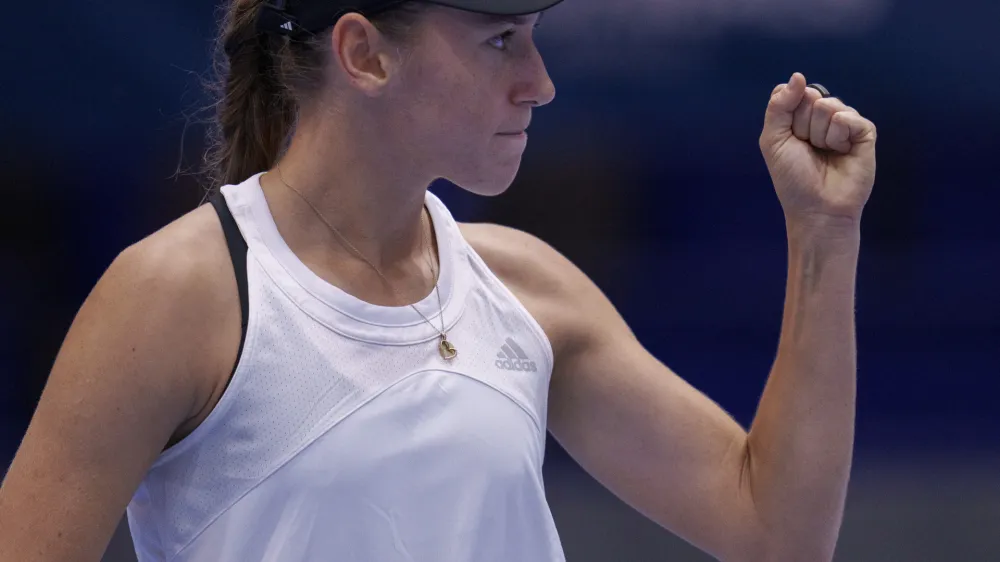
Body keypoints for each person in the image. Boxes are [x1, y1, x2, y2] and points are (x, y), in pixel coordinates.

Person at [0, 0, 877, 560]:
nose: (540, 83)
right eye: (500, 39)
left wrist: (826, 234)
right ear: (364, 53)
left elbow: (778, 532)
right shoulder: (174, 296)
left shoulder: (529, 289)